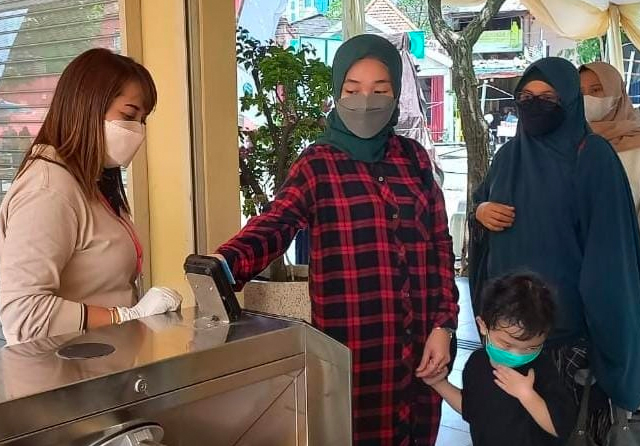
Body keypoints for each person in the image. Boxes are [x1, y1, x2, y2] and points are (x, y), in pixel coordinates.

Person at [216, 34, 459, 446]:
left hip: (421, 349)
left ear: (396, 93)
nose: (366, 101)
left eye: (380, 90)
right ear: (337, 93)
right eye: (353, 89)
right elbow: (277, 223)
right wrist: (226, 263)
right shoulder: (318, 164)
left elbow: (439, 245)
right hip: (354, 353)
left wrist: (444, 325)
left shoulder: (414, 159)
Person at [469, 57, 640, 444]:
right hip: (509, 334)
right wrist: (481, 211)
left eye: (548, 98)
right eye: (526, 97)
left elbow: (609, 260)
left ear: (569, 101)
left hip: (567, 340)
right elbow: (483, 202)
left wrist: (614, 349)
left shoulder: (592, 156)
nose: (535, 105)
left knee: (562, 431)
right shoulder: (508, 156)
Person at [0, 48, 182, 345]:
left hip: (104, 364)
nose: (138, 131)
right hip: (64, 369)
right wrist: (125, 316)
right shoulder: (48, 190)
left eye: (143, 120)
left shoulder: (93, 183)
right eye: (128, 116)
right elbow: (24, 314)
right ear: (86, 107)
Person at [422, 273, 576, 446]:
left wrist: (527, 394)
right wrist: (439, 384)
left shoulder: (542, 368)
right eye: (506, 345)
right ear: (483, 326)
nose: (517, 355)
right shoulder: (477, 363)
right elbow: (471, 410)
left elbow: (560, 428)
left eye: (531, 348)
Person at [580, 61, 640, 225]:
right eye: (581, 92)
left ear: (616, 91)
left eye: (596, 90)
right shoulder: (570, 141)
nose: (587, 98)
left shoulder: (636, 144)